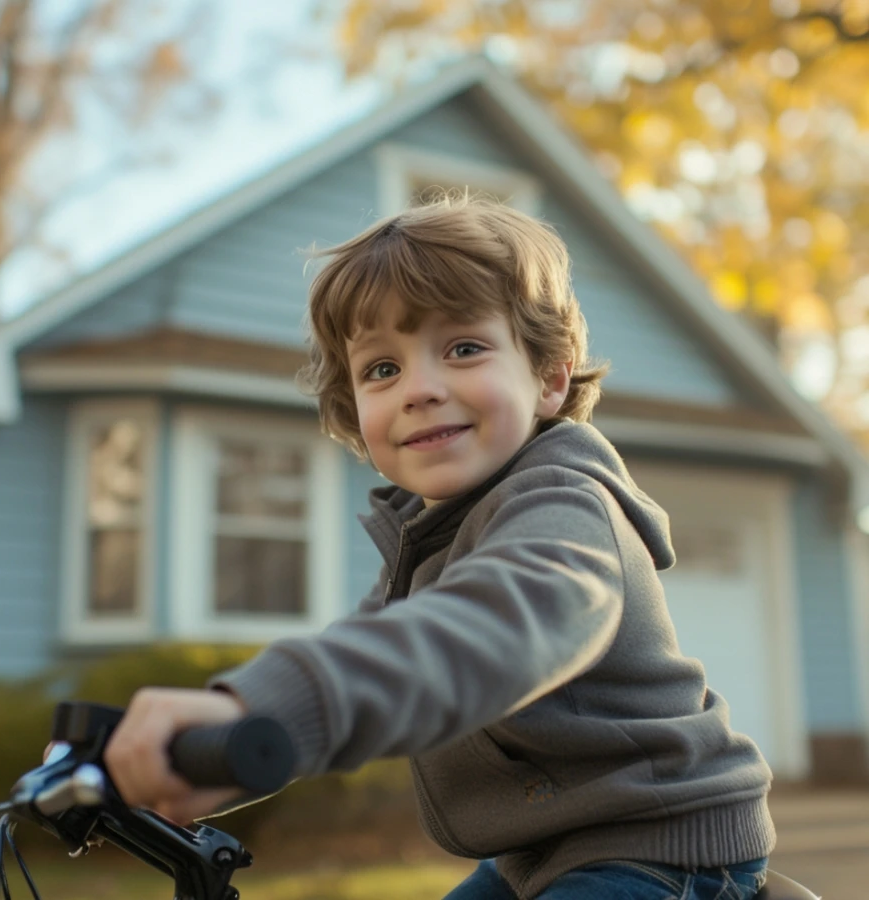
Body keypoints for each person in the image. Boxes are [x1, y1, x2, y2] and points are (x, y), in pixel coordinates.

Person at [103, 193, 775, 899]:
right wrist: (224, 757)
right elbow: (377, 660)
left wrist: (260, 710)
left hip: (662, 847)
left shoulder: (565, 506)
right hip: (537, 854)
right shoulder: (428, 542)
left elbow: (493, 631)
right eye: (382, 369)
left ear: (549, 377)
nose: (419, 389)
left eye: (463, 348)